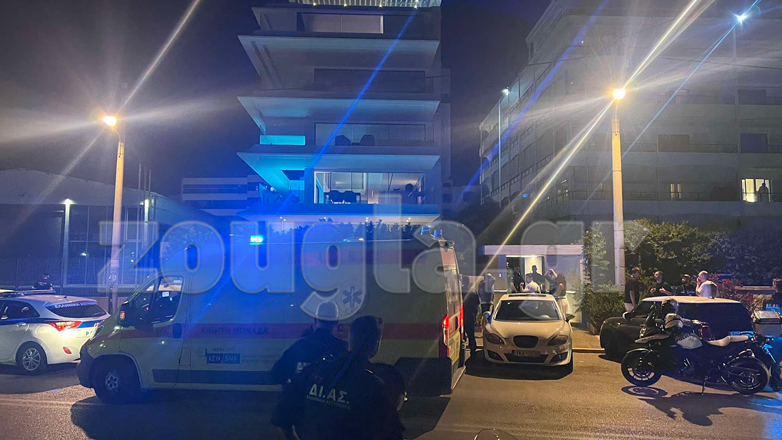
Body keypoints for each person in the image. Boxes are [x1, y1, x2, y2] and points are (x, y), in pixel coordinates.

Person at [272, 315, 405, 440]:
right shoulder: (372, 387)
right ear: (375, 344)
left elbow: (282, 418)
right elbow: (392, 434)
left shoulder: (312, 371)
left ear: (350, 339)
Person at [270, 302, 348, 384]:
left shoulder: (300, 346)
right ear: (336, 321)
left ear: (315, 319)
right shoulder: (343, 348)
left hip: (301, 391)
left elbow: (277, 375)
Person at [463, 286, 480, 353]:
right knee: (471, 334)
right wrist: (475, 315)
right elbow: (477, 305)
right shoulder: (473, 292)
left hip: (463, 316)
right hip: (470, 316)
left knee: (462, 333)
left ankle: (463, 347)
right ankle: (473, 349)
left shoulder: (461, 291)